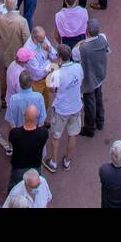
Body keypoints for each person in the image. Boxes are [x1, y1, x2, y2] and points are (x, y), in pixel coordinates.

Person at [43, 44, 85, 174]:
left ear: (60, 58)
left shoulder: (57, 73)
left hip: (61, 109)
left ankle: (54, 162)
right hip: (76, 106)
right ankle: (67, 161)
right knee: (72, 134)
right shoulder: (78, 67)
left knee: (56, 136)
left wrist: (50, 74)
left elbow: (51, 89)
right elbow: (80, 81)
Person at [75, 20, 109, 138]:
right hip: (99, 75)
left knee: (90, 104)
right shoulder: (103, 39)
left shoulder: (82, 48)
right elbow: (107, 51)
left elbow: (74, 55)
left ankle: (90, 128)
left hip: (88, 78)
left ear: (87, 31)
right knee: (98, 97)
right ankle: (100, 121)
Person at [7, 101, 48, 189]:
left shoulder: (15, 133)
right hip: (35, 167)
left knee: (15, 190)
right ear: (37, 117)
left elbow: (11, 142)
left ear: (24, 115)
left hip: (18, 167)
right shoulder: (43, 133)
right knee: (34, 190)